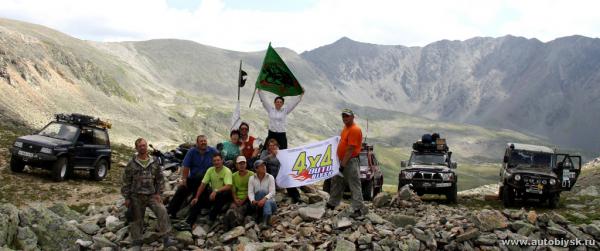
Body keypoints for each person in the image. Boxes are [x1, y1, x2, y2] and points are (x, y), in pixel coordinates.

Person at [121, 138, 174, 250]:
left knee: (162, 211)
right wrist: (127, 197)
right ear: (136, 148)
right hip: (136, 196)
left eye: (144, 145)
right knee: (136, 218)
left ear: (146, 146)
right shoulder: (131, 163)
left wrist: (159, 193)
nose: (143, 147)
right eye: (140, 146)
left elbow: (160, 179)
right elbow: (126, 181)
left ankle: (166, 237)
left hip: (152, 195)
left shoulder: (154, 161)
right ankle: (137, 241)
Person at [326, 109, 368, 216]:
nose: (345, 118)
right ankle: (332, 203)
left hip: (350, 161)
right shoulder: (346, 128)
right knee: (337, 181)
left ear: (353, 117)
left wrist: (343, 165)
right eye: (343, 116)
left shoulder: (354, 129)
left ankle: (357, 208)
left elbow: (350, 149)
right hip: (342, 160)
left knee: (354, 183)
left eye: (347, 116)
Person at [167, 135, 218, 218]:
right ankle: (171, 212)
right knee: (182, 189)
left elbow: (220, 160)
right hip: (193, 179)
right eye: (201, 141)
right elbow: (186, 166)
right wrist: (184, 179)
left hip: (207, 181)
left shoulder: (212, 151)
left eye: (205, 141)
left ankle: (191, 217)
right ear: (197, 143)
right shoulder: (192, 151)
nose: (203, 142)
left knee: (201, 181)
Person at [187, 153, 233, 226]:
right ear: (212, 162)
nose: (216, 162)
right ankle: (189, 222)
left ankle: (211, 218)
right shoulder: (210, 170)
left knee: (226, 193)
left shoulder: (227, 171)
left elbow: (229, 186)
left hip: (221, 194)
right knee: (198, 199)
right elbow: (203, 184)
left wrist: (216, 191)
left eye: (218, 160)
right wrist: (196, 197)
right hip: (212, 194)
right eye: (214, 161)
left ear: (222, 161)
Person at [260, 138, 301, 203]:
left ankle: (296, 197)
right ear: (268, 146)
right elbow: (260, 161)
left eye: (274, 145)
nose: (273, 147)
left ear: (277, 146)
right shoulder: (265, 152)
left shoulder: (281, 153)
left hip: (279, 174)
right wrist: (271, 156)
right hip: (268, 173)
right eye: (271, 145)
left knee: (288, 178)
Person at [224, 156, 255, 229]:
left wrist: (243, 200)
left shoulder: (252, 174)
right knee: (231, 208)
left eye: (243, 163)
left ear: (246, 164)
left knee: (241, 208)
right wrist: (235, 199)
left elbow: (251, 190)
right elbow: (233, 189)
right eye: (239, 164)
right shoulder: (233, 175)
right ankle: (228, 225)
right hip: (237, 198)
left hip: (248, 198)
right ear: (236, 165)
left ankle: (237, 223)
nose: (241, 165)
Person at [248, 159, 277, 228]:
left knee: (267, 201)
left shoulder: (270, 177)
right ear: (256, 169)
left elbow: (273, 192)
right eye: (261, 166)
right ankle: (260, 216)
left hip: (271, 203)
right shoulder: (251, 178)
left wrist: (264, 199)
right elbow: (250, 192)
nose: (264, 167)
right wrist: (252, 200)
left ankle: (265, 222)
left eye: (264, 165)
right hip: (257, 203)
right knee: (260, 193)